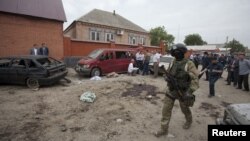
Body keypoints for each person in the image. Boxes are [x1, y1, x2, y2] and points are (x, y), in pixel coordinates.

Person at [154, 43, 199, 137]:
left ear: (181, 53)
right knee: (166, 110)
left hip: (183, 92)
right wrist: (166, 77)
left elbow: (195, 79)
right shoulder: (173, 61)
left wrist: (189, 91)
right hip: (171, 90)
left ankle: (189, 121)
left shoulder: (189, 63)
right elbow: (169, 72)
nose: (175, 54)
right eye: (174, 53)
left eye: (176, 52)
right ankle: (163, 129)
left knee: (185, 109)